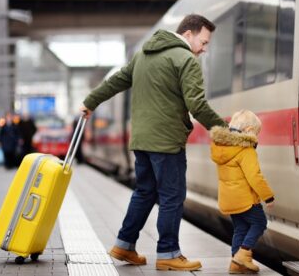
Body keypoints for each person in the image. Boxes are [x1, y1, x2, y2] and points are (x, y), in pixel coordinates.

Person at [80, 14, 227, 271]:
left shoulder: (142, 56)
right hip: (167, 141)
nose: (204, 49)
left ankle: (124, 244)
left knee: (145, 192)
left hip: (141, 140)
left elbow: (116, 81)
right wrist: (226, 131)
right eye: (203, 42)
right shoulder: (185, 60)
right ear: (189, 34)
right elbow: (197, 105)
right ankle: (168, 252)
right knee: (172, 196)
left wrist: (90, 102)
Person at [210, 110, 275, 274]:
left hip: (229, 199)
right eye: (256, 132)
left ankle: (235, 264)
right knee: (260, 223)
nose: (257, 136)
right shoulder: (246, 150)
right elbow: (255, 176)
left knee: (240, 228)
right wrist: (268, 197)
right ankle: (243, 255)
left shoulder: (222, 148)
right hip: (246, 200)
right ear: (248, 131)